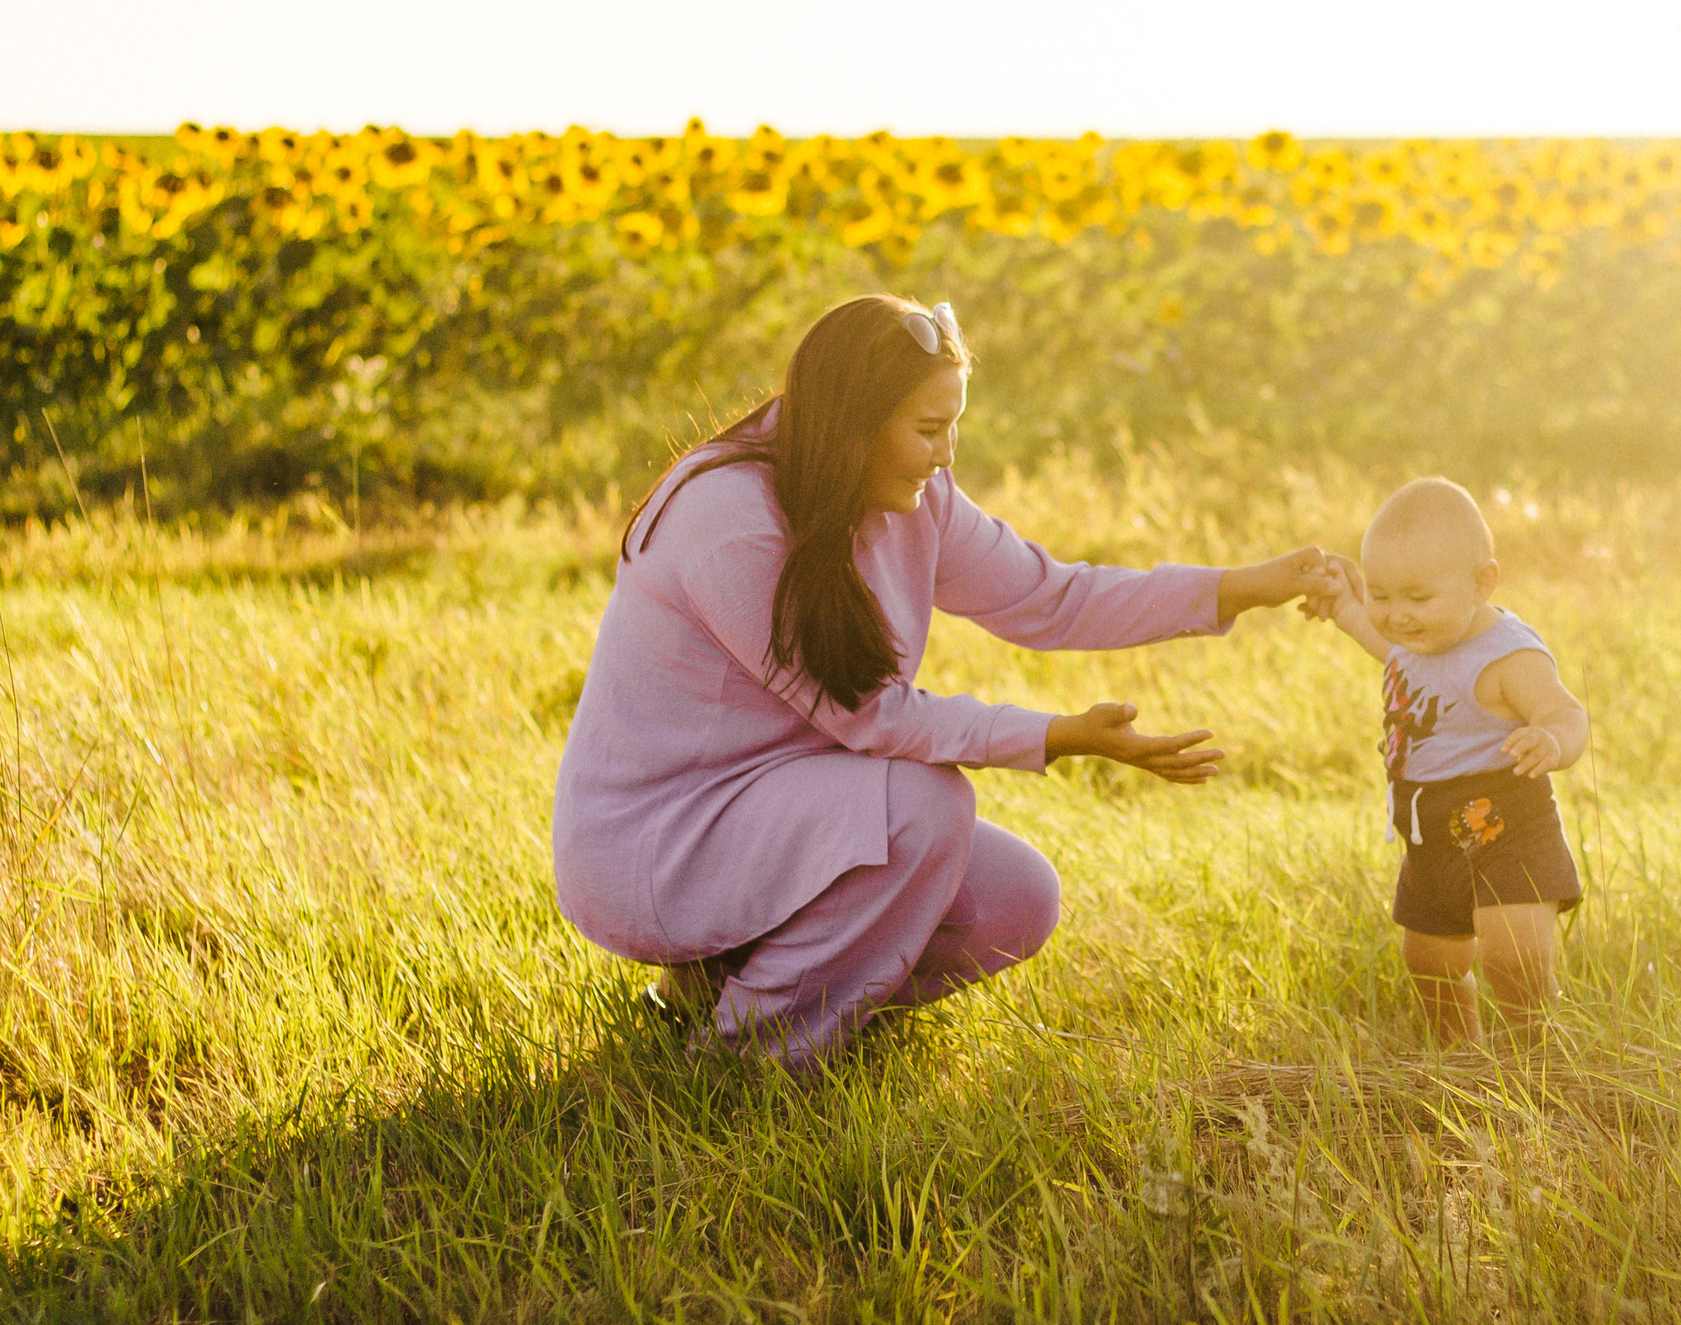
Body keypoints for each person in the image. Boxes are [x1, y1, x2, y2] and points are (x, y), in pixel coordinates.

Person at [552, 293, 1333, 1069]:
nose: (947, 453)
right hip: (658, 843)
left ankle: (729, 986)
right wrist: (1058, 736)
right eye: (928, 429)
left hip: (776, 814)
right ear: (854, 421)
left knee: (1015, 898)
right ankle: (742, 1062)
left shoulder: (913, 500)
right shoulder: (727, 517)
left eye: (953, 424)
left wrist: (1239, 586)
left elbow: (1051, 596)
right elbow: (870, 718)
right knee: (923, 806)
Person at [1312, 478, 1590, 1045]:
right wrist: (1345, 605)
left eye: (1417, 598)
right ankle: (1459, 1062)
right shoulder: (1415, 638)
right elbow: (1383, 641)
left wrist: (1552, 740)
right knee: (1431, 963)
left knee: (1513, 958)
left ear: (1482, 582)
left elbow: (1567, 711)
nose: (1397, 616)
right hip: (1427, 829)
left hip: (1506, 822)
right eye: (1382, 595)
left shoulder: (1506, 655)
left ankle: (1536, 1064)